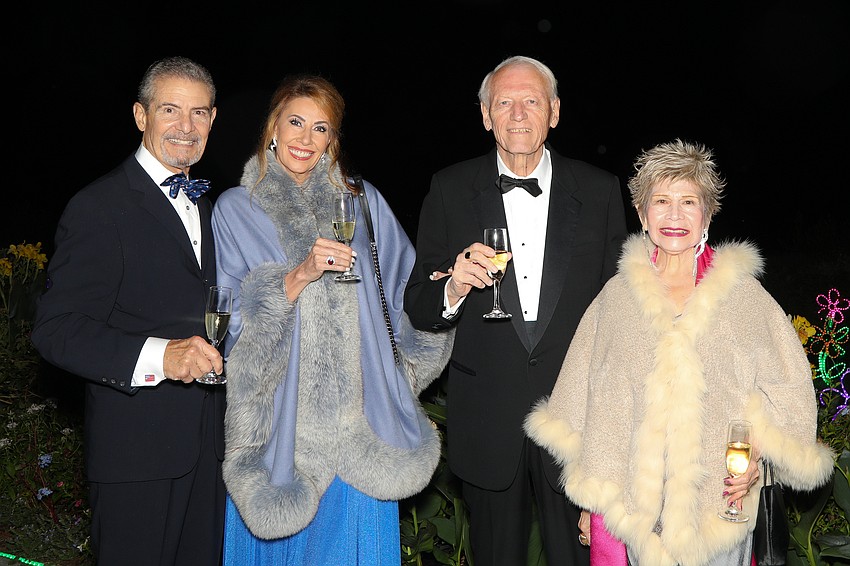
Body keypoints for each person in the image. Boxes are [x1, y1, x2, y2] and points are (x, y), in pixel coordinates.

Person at [524, 139, 835, 566]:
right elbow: (593, 409)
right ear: (642, 213)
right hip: (633, 518)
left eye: (688, 202)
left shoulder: (744, 296)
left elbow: (788, 392)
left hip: (719, 514)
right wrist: (592, 502)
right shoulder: (615, 299)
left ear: (707, 214)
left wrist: (756, 462)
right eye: (661, 201)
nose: (674, 215)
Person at [211, 74, 454, 565]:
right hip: (282, 435)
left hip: (360, 431)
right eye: (295, 122)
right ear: (273, 127)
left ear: (332, 140)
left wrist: (451, 291)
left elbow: (406, 293)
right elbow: (226, 324)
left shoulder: (363, 202)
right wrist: (296, 277)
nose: (305, 139)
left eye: (320, 128)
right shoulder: (234, 210)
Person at [403, 55, 628, 566]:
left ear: (554, 111)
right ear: (485, 115)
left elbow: (624, 305)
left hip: (575, 422)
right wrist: (454, 288)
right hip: (487, 420)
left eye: (531, 101)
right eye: (505, 102)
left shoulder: (598, 190)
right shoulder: (449, 187)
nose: (519, 114)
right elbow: (418, 304)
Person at [30, 56, 226, 565]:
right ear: (141, 116)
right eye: (170, 110)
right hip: (136, 458)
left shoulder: (209, 203)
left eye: (199, 113)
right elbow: (57, 330)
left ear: (212, 120)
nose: (186, 127)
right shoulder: (99, 206)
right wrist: (163, 357)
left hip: (207, 452)